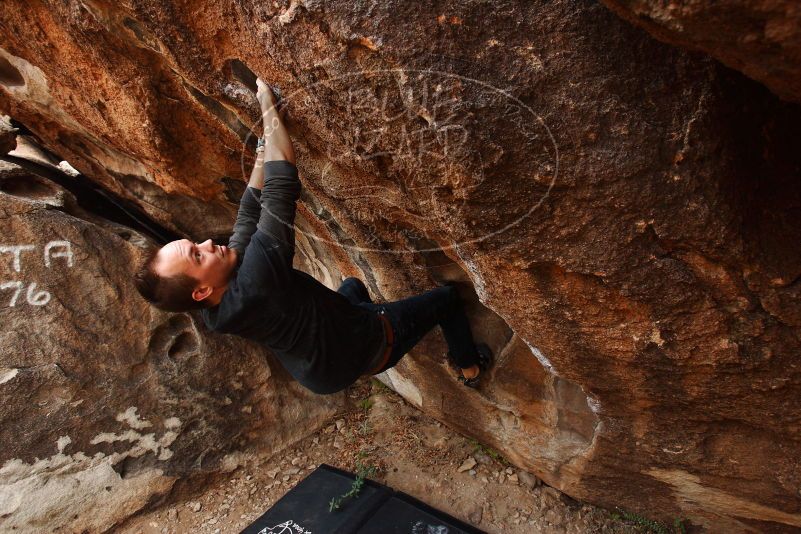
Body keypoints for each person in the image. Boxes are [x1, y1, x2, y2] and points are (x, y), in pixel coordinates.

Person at [134, 78, 492, 394]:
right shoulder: (256, 281)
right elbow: (281, 187)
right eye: (198, 255)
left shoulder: (216, 303)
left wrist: (263, 147)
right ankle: (469, 367)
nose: (208, 244)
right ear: (201, 290)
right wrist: (267, 106)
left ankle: (353, 324)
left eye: (196, 245)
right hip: (370, 347)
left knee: (352, 285)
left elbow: (248, 213)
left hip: (318, 373)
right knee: (446, 298)